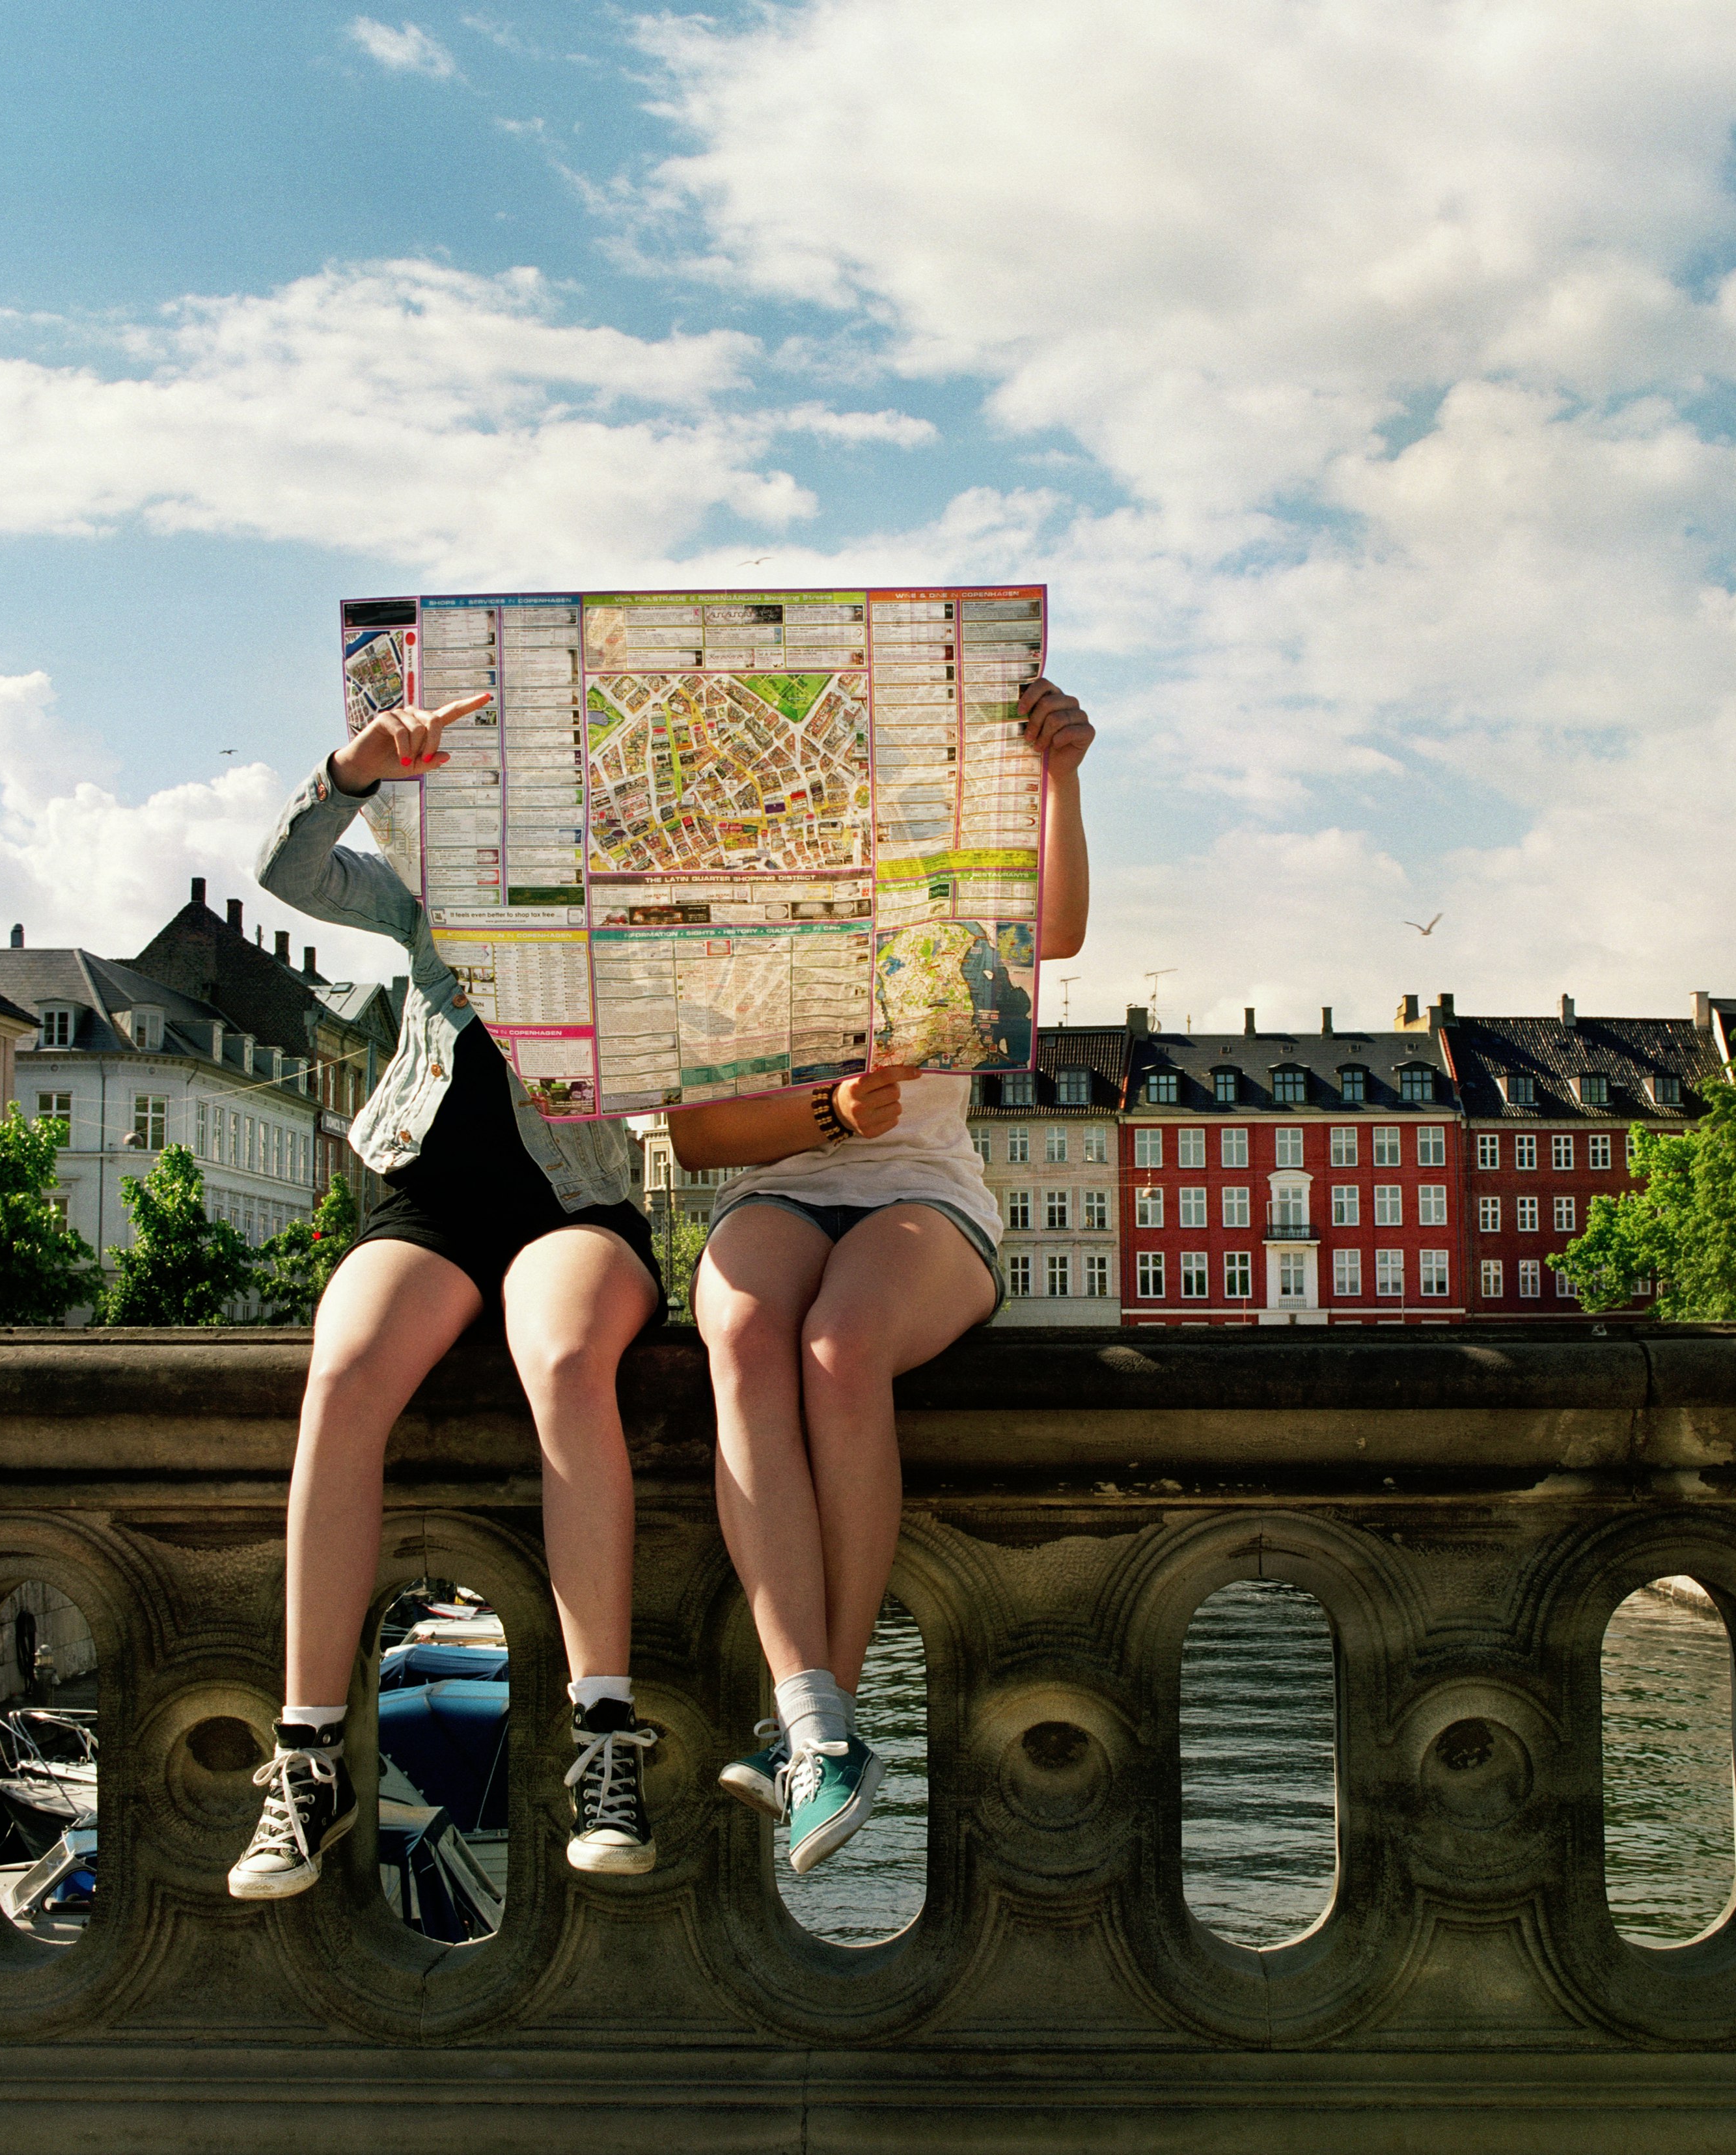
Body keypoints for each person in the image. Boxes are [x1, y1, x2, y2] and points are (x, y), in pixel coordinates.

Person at [228, 693, 665, 1900]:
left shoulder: (631, 901)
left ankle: (604, 1738)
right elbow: (287, 871)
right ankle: (308, 1755)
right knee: (345, 1370)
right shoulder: (429, 892)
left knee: (564, 1359)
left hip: (571, 1200)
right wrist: (351, 769)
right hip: (423, 1193)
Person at [672, 676, 1096, 1874]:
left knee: (837, 1346)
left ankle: (818, 1721)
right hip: (779, 1184)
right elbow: (700, 1141)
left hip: (926, 1196)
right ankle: (821, 1732)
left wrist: (1061, 774)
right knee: (746, 1333)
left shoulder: (945, 898)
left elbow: (1053, 930)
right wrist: (825, 1111)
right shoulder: (731, 919)